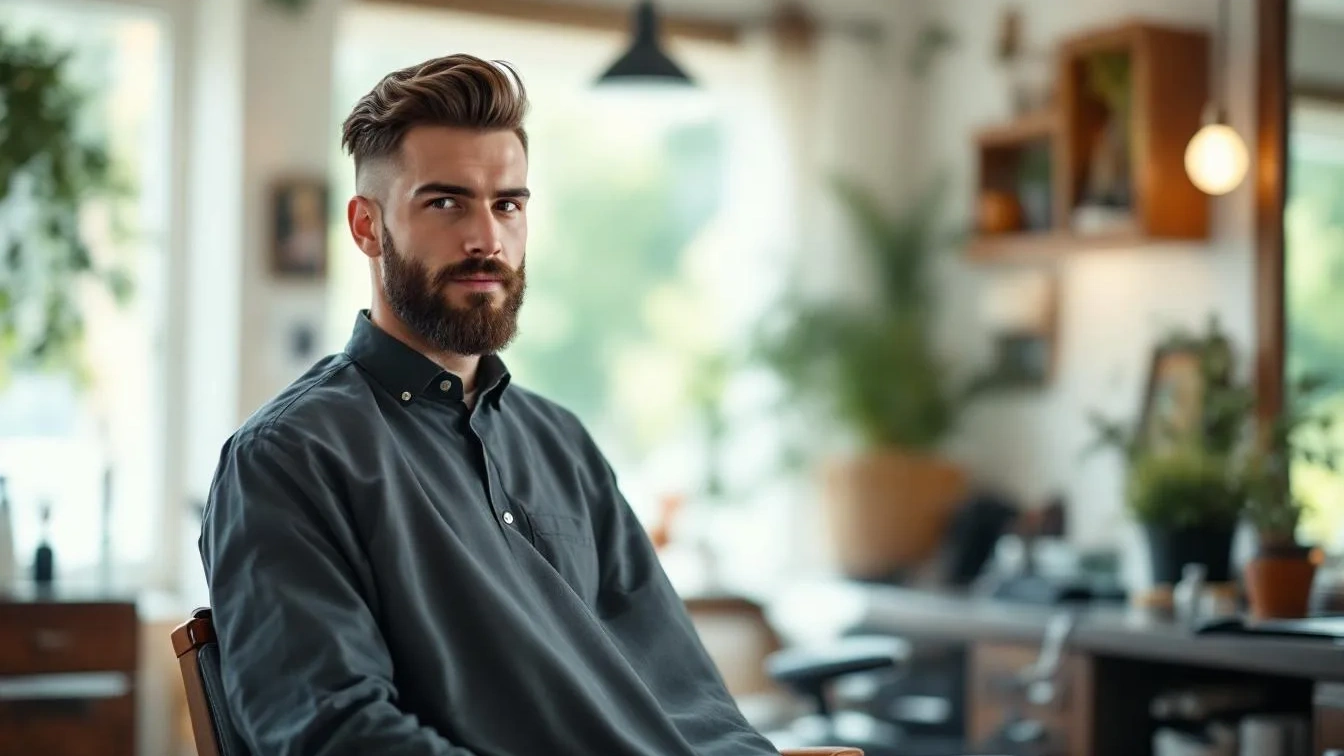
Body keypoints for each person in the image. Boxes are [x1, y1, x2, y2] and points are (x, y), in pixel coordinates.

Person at [199, 54, 782, 756]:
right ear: (366, 227)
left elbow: (691, 701)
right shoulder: (290, 459)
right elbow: (333, 734)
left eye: (507, 204)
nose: (487, 239)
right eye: (445, 203)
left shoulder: (561, 443)